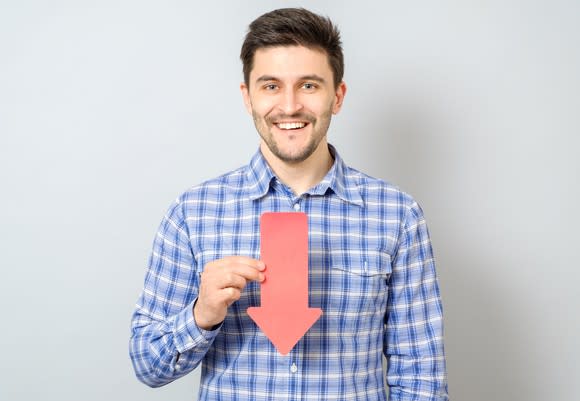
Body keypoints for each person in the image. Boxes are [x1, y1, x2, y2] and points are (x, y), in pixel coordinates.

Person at [129, 7, 448, 401]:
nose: (290, 105)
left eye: (309, 86)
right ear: (248, 97)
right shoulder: (193, 214)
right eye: (271, 86)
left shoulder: (397, 216)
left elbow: (420, 376)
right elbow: (146, 364)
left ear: (338, 96)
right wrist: (201, 315)